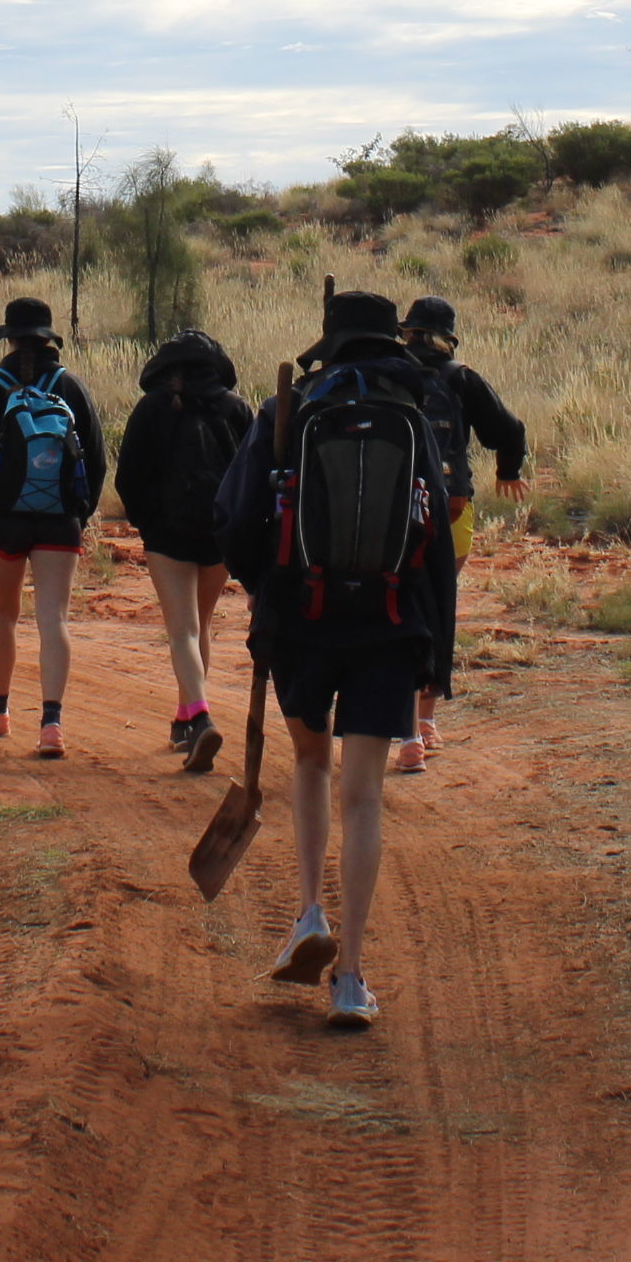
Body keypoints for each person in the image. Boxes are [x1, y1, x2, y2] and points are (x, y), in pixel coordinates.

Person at [214, 289, 446, 1033]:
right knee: (365, 797)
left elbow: (236, 518)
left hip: (304, 624)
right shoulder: (414, 413)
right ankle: (350, 978)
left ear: (331, 340)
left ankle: (309, 911)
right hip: (387, 624)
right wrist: (436, 653)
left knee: (310, 765)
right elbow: (435, 535)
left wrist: (266, 597)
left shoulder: (293, 406)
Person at [0, 297, 108, 757]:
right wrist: (79, 514)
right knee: (53, 618)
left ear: (9, 338)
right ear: (48, 339)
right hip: (60, 521)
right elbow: (97, 460)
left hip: (3, 521)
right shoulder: (71, 386)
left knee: (4, 614)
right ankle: (51, 725)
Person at [398, 295, 529, 774]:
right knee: (438, 609)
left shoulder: (386, 370)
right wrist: (508, 470)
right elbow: (509, 429)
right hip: (452, 510)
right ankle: (426, 722)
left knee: (399, 610)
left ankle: (405, 732)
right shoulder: (459, 377)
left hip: (391, 515)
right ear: (448, 335)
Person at [114, 330, 251, 768]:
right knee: (201, 626)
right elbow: (253, 473)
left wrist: (147, 524)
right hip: (221, 535)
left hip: (168, 535)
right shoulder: (236, 408)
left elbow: (128, 476)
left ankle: (199, 716)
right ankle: (183, 719)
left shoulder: (152, 407)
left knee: (183, 630)